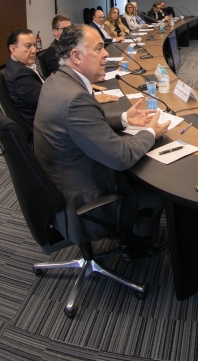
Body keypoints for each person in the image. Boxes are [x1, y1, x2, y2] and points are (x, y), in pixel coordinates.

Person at [33, 24, 171, 253]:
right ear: (76, 56)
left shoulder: (57, 81)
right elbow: (121, 157)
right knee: (157, 193)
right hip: (82, 201)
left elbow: (79, 123)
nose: (106, 53)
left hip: (61, 184)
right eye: (98, 49)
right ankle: (137, 245)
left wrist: (125, 118)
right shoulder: (76, 98)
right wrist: (150, 132)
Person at [4, 28, 43, 128]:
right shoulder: (21, 74)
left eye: (34, 45)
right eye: (28, 46)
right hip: (43, 127)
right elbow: (49, 102)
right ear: (13, 49)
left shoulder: (16, 65)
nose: (34, 50)